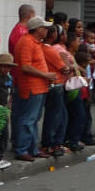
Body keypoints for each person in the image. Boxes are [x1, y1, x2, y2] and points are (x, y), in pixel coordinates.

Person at [12, 17, 55, 161]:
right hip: (31, 87)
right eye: (45, 27)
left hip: (38, 87)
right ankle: (22, 149)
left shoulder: (34, 42)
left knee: (33, 119)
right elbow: (25, 66)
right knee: (28, 119)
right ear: (38, 29)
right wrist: (45, 74)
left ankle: (32, 149)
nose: (47, 30)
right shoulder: (27, 42)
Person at [40, 25, 70, 156]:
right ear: (53, 35)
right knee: (55, 116)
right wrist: (67, 64)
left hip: (52, 85)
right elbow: (65, 68)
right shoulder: (50, 50)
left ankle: (54, 143)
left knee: (57, 115)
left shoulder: (43, 48)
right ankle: (50, 144)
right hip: (55, 85)